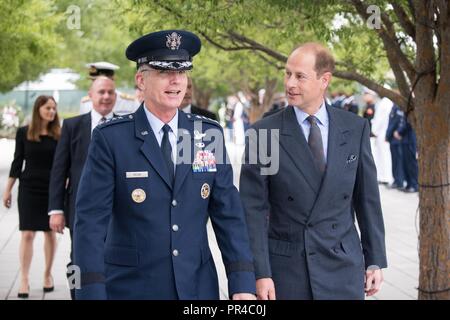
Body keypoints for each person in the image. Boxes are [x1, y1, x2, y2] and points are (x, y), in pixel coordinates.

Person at [73, 29, 256, 300]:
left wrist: (242, 283)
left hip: (197, 288)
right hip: (131, 287)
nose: (175, 81)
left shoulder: (208, 135)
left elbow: (229, 215)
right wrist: (90, 291)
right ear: (140, 80)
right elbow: (89, 223)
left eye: (181, 72)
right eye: (163, 72)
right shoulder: (111, 138)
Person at [240, 43, 387, 300]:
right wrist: (260, 273)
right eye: (288, 74)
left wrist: (374, 259)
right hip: (287, 271)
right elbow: (253, 211)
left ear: (324, 80)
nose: (290, 83)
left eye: (300, 76)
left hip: (344, 267)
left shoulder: (354, 128)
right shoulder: (265, 134)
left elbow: (367, 199)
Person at [48, 76, 116, 299]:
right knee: (78, 260)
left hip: (117, 212)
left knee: (112, 258)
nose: (106, 97)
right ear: (91, 95)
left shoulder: (125, 126)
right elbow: (59, 170)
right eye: (101, 92)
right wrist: (56, 210)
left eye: (110, 92)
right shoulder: (73, 126)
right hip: (80, 211)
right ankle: (76, 293)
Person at [2, 95, 60, 298]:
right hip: (29, 189)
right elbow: (17, 163)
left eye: (54, 108)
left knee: (49, 232)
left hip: (52, 189)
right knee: (27, 233)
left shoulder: (59, 134)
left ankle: (47, 274)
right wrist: (8, 189)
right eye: (48, 108)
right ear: (38, 109)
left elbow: (64, 165)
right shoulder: (23, 133)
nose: (51, 112)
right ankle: (24, 279)